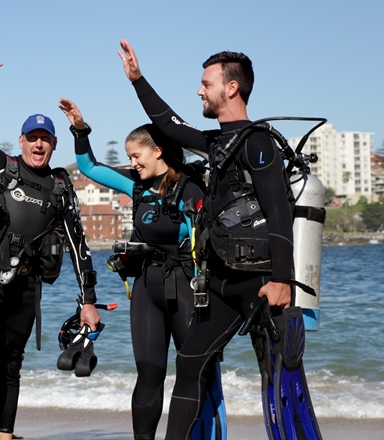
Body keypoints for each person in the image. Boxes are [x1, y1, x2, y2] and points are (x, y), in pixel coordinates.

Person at [116, 39, 313, 439]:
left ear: (231, 88)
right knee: (190, 364)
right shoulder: (216, 143)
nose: (199, 91)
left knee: (279, 380)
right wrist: (138, 80)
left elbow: (278, 210)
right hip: (222, 280)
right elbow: (169, 124)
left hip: (260, 282)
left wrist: (282, 279)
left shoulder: (258, 143)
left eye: (206, 83)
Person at [0, 46, 100, 440]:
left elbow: (78, 246)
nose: (38, 144)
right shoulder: (1, 165)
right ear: (21, 140)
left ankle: (4, 435)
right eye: (32, 137)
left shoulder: (60, 188)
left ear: (53, 145)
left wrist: (87, 300)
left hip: (27, 286)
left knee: (10, 363)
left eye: (45, 139)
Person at [58, 98, 213, 439]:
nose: (132, 163)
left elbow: (209, 242)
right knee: (148, 373)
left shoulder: (191, 189)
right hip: (146, 289)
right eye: (129, 158)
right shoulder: (137, 186)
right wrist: (80, 129)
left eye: (136, 157)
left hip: (186, 288)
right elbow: (89, 167)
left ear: (157, 151)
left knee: (195, 373)